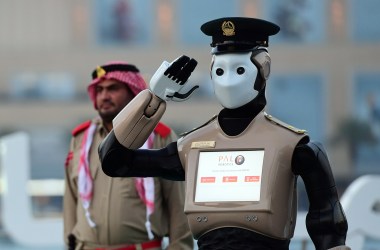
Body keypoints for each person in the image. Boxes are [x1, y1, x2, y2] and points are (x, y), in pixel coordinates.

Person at [98, 17, 350, 250]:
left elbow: (328, 224)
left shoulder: (293, 146)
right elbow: (114, 161)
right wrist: (153, 98)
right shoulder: (191, 146)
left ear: (263, 69)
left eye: (239, 70)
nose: (228, 81)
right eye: (220, 71)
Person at [63, 61, 193, 250]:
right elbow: (70, 200)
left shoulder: (160, 137)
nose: (104, 96)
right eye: (99, 90)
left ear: (133, 92)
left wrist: (180, 247)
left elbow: (178, 203)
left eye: (113, 89)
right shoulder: (81, 138)